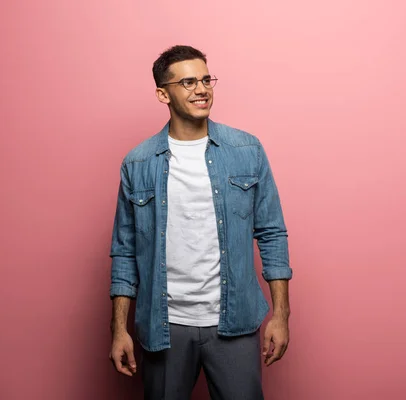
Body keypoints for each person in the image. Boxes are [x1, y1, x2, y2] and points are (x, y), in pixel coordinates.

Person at [108, 45, 292, 400]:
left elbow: (272, 234)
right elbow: (125, 251)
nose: (202, 89)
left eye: (207, 79)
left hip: (235, 322)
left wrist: (281, 315)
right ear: (163, 93)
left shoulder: (246, 150)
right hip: (165, 326)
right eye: (188, 81)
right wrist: (119, 330)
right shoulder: (138, 163)